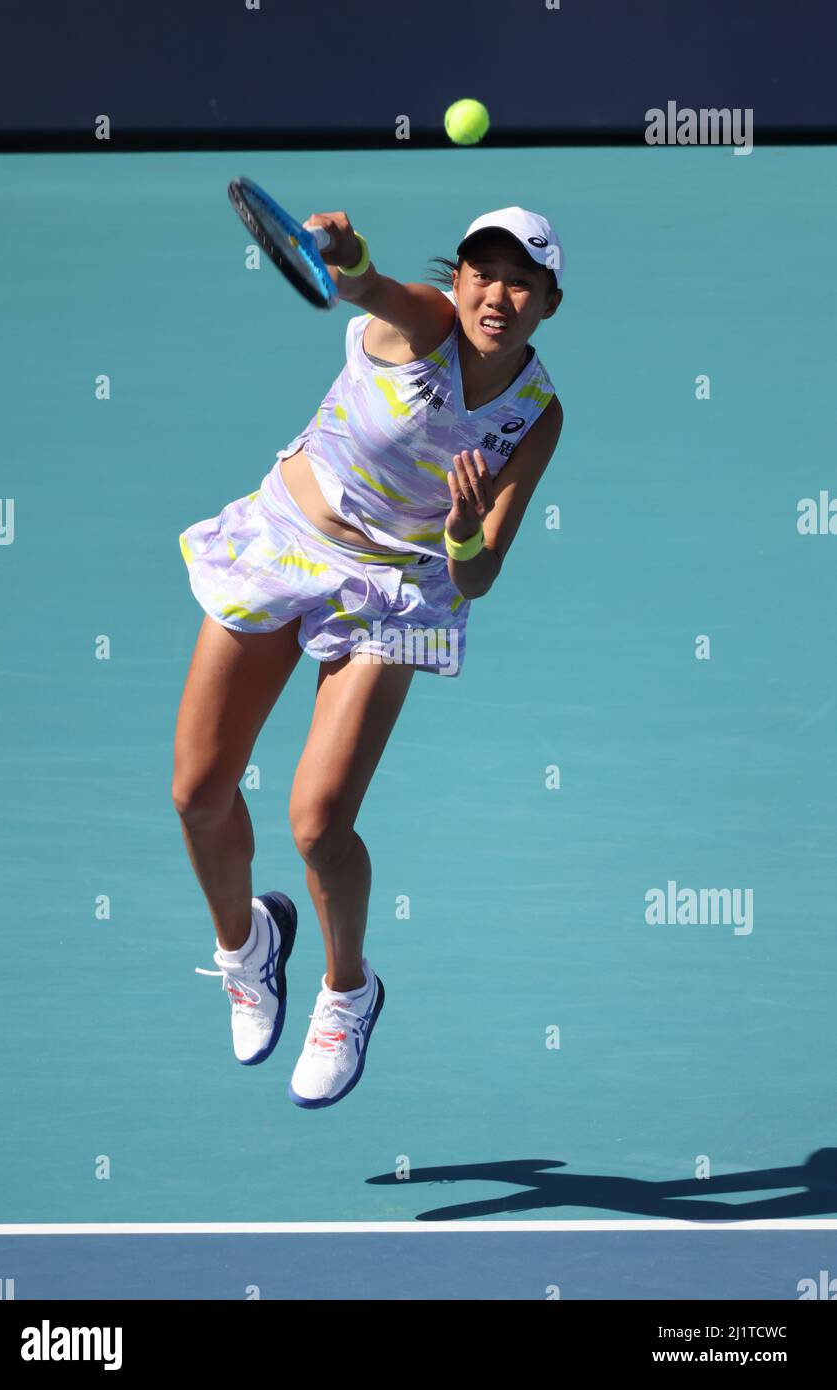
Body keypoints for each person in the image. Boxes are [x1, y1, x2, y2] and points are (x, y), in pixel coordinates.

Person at [174, 205, 565, 1108]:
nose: (496, 294)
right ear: (457, 278)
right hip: (283, 542)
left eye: (521, 280)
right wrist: (344, 259)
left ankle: (347, 992)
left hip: (402, 587)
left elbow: (480, 578)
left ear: (550, 299)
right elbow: (363, 283)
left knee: (317, 823)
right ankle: (247, 950)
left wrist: (464, 531)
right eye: (482, 271)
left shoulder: (536, 416)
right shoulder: (422, 320)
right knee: (197, 793)